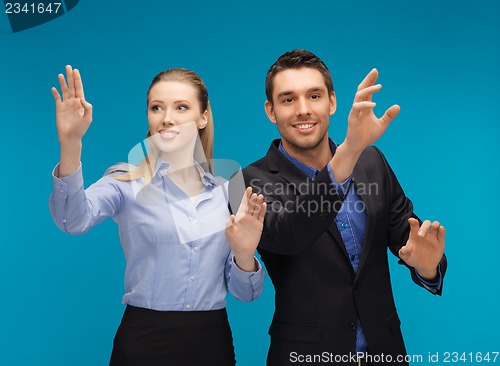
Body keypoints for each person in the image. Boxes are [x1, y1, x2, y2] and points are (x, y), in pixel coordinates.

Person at [229, 50, 447, 365]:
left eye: (314, 96)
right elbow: (290, 234)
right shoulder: (247, 182)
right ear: (271, 111)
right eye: (288, 100)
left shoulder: (373, 163)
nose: (303, 110)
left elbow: (410, 238)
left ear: (331, 102)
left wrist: (427, 266)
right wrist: (350, 150)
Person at [49, 66, 267, 366]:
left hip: (211, 342)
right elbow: (71, 220)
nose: (167, 117)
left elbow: (247, 294)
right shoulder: (125, 182)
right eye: (156, 108)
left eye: (181, 107)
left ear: (203, 117)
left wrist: (245, 254)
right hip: (143, 340)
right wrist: (71, 143)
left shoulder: (227, 192)